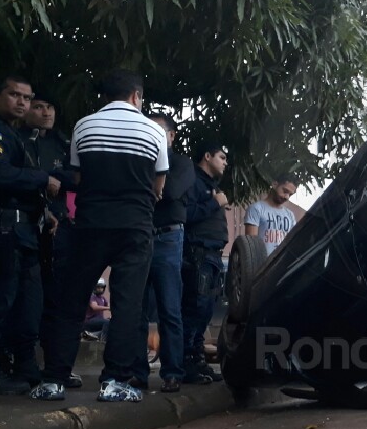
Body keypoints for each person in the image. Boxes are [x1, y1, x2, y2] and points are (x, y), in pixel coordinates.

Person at [41, 69, 168, 403]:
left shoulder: (84, 126)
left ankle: (53, 380)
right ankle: (114, 381)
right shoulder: (153, 131)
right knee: (127, 305)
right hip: (135, 227)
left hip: (90, 224)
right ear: (137, 96)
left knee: (72, 302)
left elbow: (79, 177)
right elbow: (159, 187)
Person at [0, 75, 60, 395]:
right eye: (14, 95)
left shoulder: (14, 135)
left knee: (27, 301)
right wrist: (41, 179)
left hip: (22, 230)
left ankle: (23, 363)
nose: (21, 102)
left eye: (27, 97)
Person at [129, 112, 196, 393]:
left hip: (169, 237)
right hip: (140, 236)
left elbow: (170, 193)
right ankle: (137, 374)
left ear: (171, 136)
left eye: (158, 131)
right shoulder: (138, 159)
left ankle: (172, 372)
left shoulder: (181, 163)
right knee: (135, 310)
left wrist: (147, 189)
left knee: (170, 309)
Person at [23, 89, 82, 386]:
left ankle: (57, 365)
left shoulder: (63, 143)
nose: (46, 113)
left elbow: (78, 179)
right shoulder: (19, 139)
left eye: (50, 108)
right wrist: (45, 178)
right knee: (26, 298)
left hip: (59, 229)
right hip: (24, 225)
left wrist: (57, 180)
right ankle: (20, 362)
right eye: (39, 107)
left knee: (58, 299)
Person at [182, 140, 229, 385]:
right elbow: (186, 214)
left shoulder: (211, 185)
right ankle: (187, 363)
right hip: (197, 252)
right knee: (195, 308)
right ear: (208, 156)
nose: (225, 162)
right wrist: (216, 203)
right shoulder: (192, 179)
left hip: (212, 255)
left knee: (206, 310)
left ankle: (197, 362)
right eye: (222, 157)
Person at [244, 176, 298, 255]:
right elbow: (251, 246)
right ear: (274, 184)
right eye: (285, 191)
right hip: (262, 264)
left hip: (282, 263)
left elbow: (292, 243)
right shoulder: (256, 209)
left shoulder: (290, 215)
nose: (287, 197)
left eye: (290, 194)